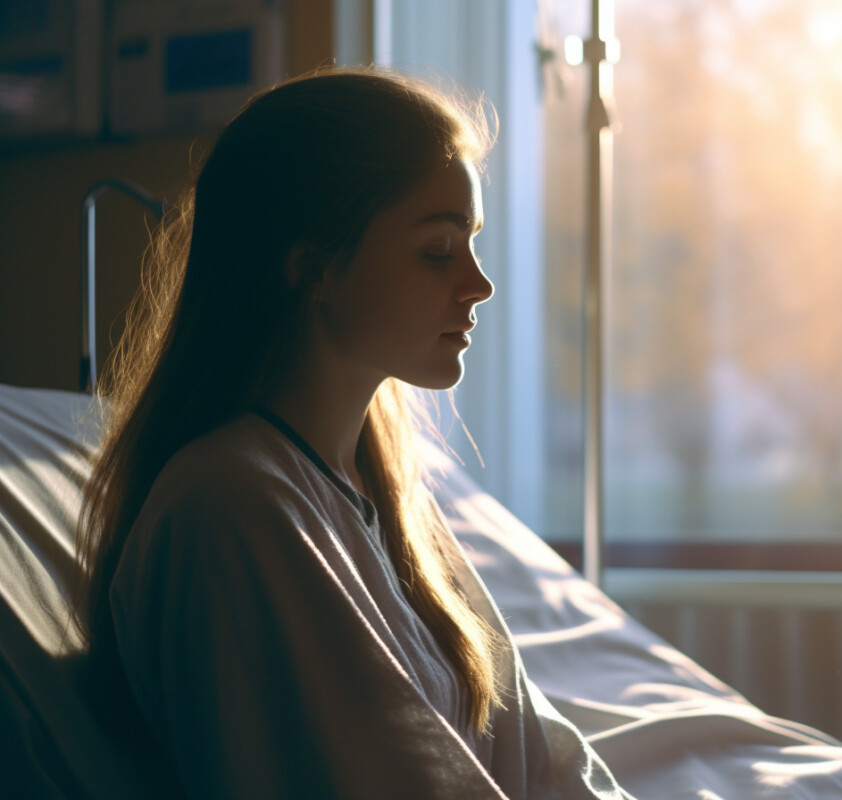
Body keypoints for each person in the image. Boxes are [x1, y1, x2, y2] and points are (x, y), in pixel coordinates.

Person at [72, 67, 630, 799]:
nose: (478, 284)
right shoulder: (231, 507)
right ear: (314, 268)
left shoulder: (384, 493)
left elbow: (540, 759)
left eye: (472, 243)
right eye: (438, 250)